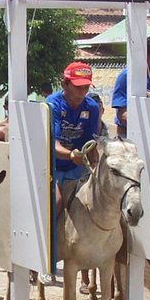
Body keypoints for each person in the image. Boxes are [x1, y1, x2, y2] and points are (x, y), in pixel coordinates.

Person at [48, 63, 102, 216]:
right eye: (78, 87)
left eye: (86, 88)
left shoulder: (91, 107)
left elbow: (91, 143)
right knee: (57, 203)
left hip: (76, 168)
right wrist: (72, 155)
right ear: (64, 84)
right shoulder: (53, 105)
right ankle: (50, 239)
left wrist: (96, 165)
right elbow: (53, 145)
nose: (82, 92)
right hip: (52, 167)